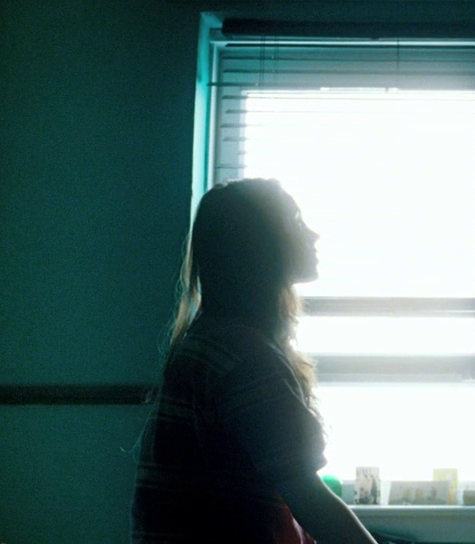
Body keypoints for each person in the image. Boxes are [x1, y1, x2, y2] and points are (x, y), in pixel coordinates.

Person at [132, 179, 377, 544]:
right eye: (295, 221)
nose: (313, 235)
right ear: (259, 246)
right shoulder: (244, 359)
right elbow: (310, 499)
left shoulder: (211, 343)